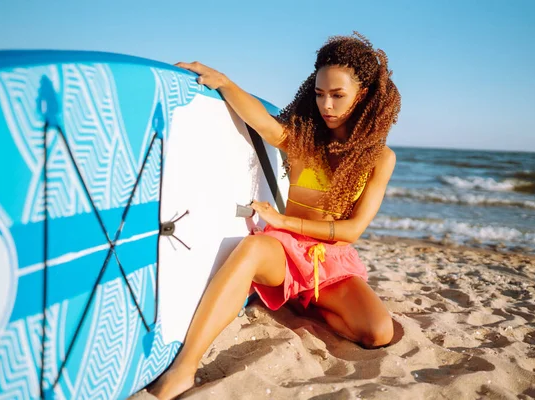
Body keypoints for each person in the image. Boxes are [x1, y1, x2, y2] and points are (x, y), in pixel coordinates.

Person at [148, 32, 401, 400]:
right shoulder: (302, 138)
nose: (326, 105)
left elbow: (352, 231)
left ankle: (297, 302)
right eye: (319, 94)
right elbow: (263, 123)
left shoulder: (380, 159)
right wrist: (224, 82)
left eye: (337, 95)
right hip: (286, 253)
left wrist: (284, 221)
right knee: (253, 250)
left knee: (379, 334)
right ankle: (184, 369)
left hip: (330, 260)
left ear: (362, 95)